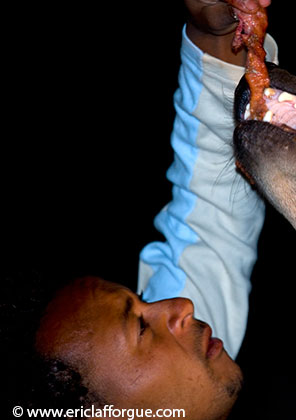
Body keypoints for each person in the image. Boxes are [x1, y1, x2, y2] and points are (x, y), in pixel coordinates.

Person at [5, 0, 274, 418]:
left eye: (141, 304)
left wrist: (218, 36)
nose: (181, 308)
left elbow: (212, 206)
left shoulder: (188, 356)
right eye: (141, 328)